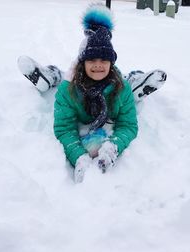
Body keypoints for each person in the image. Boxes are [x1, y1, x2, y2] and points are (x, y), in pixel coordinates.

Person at [17, 4, 167, 183]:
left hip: (121, 84)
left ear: (111, 63)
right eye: (91, 60)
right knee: (63, 74)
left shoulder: (122, 88)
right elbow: (64, 128)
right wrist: (79, 156)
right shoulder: (68, 90)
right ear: (82, 63)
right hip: (72, 80)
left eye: (104, 60)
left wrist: (113, 147)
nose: (98, 65)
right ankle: (49, 75)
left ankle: (138, 79)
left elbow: (128, 126)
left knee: (126, 80)